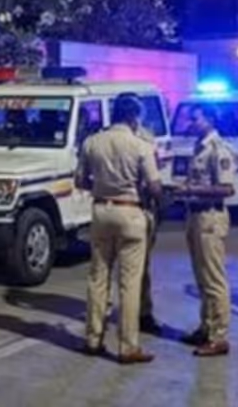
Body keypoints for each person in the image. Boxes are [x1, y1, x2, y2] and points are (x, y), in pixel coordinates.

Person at [78, 94, 162, 364]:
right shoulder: (140, 145)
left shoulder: (92, 142)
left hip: (101, 211)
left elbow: (80, 180)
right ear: (134, 117)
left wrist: (102, 188)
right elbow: (154, 186)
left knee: (98, 278)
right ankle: (128, 346)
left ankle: (93, 339)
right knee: (129, 284)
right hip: (130, 211)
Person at [176, 104, 236, 357]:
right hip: (196, 215)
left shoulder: (217, 149)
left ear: (210, 119)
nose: (191, 123)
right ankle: (207, 327)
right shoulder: (199, 147)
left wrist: (191, 190)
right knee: (201, 277)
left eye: (196, 119)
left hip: (210, 217)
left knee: (213, 279)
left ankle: (219, 336)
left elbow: (226, 188)